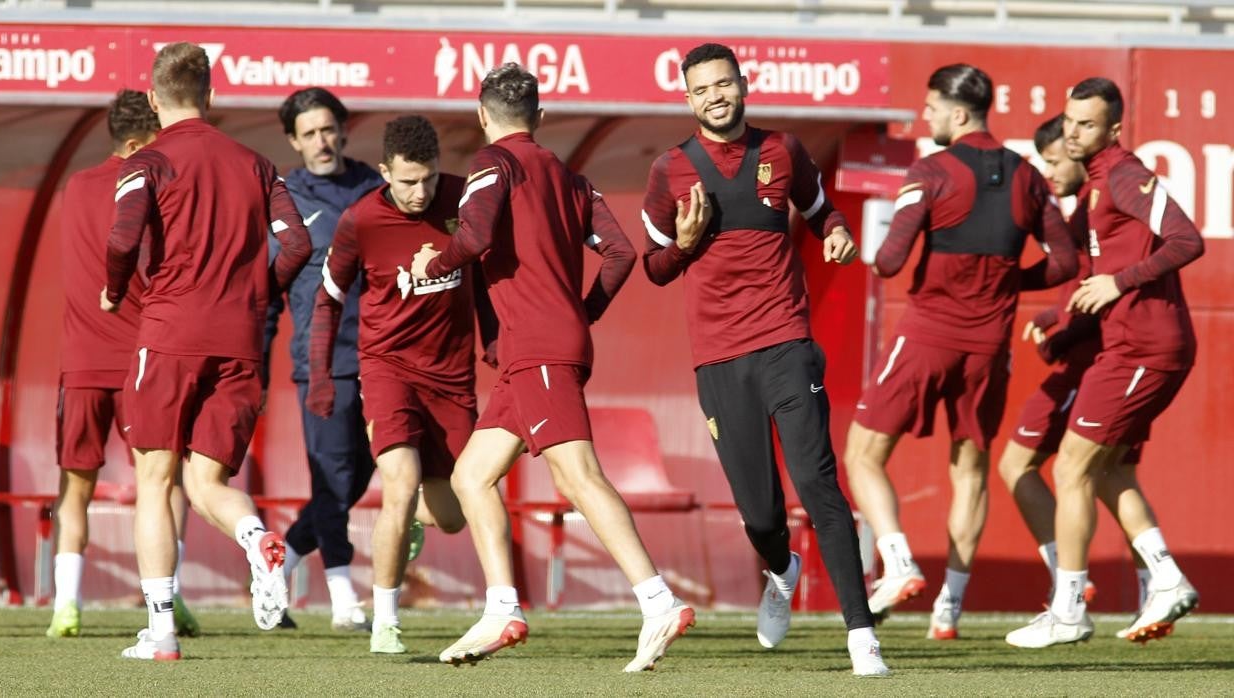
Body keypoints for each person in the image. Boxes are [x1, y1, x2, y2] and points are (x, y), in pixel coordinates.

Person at [411, 63, 694, 673]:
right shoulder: (572, 179)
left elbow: (474, 236)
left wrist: (433, 264)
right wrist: (581, 312)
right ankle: (502, 610)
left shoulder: (493, 164)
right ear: (539, 117)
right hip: (534, 349)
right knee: (471, 477)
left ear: (482, 116)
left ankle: (659, 601)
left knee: (578, 477)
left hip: (537, 347)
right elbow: (620, 253)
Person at [640, 42, 887, 677]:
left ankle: (862, 638)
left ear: (743, 84)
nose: (715, 97)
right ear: (688, 99)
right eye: (702, 89)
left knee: (819, 484)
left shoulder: (785, 150)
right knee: (760, 513)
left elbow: (823, 211)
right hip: (719, 358)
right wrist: (684, 244)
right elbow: (654, 267)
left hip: (787, 342)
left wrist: (837, 231)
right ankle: (781, 572)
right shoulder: (670, 169)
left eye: (723, 84)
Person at [843, 63, 1077, 640]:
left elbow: (890, 261)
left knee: (862, 454)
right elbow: (1066, 262)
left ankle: (898, 561)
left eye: (930, 108)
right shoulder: (1030, 177)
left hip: (928, 333)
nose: (926, 117)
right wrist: (1007, 281)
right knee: (969, 470)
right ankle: (948, 608)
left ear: (957, 111)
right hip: (989, 346)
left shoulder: (931, 170)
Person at [105, 42, 312, 660]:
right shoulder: (256, 164)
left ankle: (161, 631)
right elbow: (298, 246)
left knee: (154, 478)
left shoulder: (148, 161)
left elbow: (122, 239)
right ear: (211, 96)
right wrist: (257, 295)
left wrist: (115, 289)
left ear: (152, 99)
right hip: (240, 340)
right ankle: (256, 538)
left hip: (171, 334)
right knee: (207, 480)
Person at [1006, 77, 1202, 648]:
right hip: (1130, 346)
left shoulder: (1122, 175)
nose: (1072, 132)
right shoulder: (1094, 185)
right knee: (1108, 470)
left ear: (1113, 129)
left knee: (1070, 468)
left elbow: (1188, 240)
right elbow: (1073, 266)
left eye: (1086, 124)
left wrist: (1119, 282)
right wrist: (1029, 299)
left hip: (1144, 347)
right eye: (1069, 121)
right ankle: (1165, 577)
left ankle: (1069, 609)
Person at [309, 115, 495, 654]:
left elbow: (490, 276)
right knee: (401, 481)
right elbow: (328, 298)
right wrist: (321, 375)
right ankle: (385, 621)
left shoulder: (464, 200)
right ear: (385, 171)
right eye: (408, 181)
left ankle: (410, 519)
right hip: (387, 369)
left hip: (452, 378)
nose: (420, 192)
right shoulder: (361, 219)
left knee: (455, 515)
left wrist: (496, 342)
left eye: (428, 178)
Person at [48, 89, 198, 640]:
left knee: (75, 486)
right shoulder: (152, 187)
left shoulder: (75, 186)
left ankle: (66, 606)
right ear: (136, 146)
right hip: (142, 362)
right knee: (165, 483)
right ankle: (169, 598)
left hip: (82, 365)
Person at [997, 113, 1154, 618]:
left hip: (1101, 361)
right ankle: (1156, 585)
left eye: (1054, 161)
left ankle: (1070, 584)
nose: (1049, 173)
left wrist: (1060, 333)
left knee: (1029, 465)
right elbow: (1077, 280)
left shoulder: (1102, 201)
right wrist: (1049, 313)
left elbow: (1101, 287)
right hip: (1113, 355)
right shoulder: (1090, 205)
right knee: (1112, 474)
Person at [266, 87, 380, 632]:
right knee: (332, 477)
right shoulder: (285, 198)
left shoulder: (374, 187)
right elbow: (268, 293)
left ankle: (280, 563)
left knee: (361, 475)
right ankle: (342, 596)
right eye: (309, 133)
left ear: (343, 130)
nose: (322, 141)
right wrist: (255, 367)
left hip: (377, 356)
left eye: (328, 129)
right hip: (321, 361)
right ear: (294, 141)